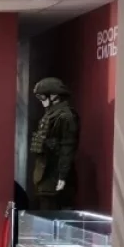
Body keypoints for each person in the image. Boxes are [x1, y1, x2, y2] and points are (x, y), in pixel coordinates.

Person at [29, 77, 80, 211]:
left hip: (55, 178)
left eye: (42, 96)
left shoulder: (66, 116)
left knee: (51, 213)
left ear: (54, 96)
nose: (41, 101)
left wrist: (62, 177)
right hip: (46, 176)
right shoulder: (51, 114)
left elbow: (68, 148)